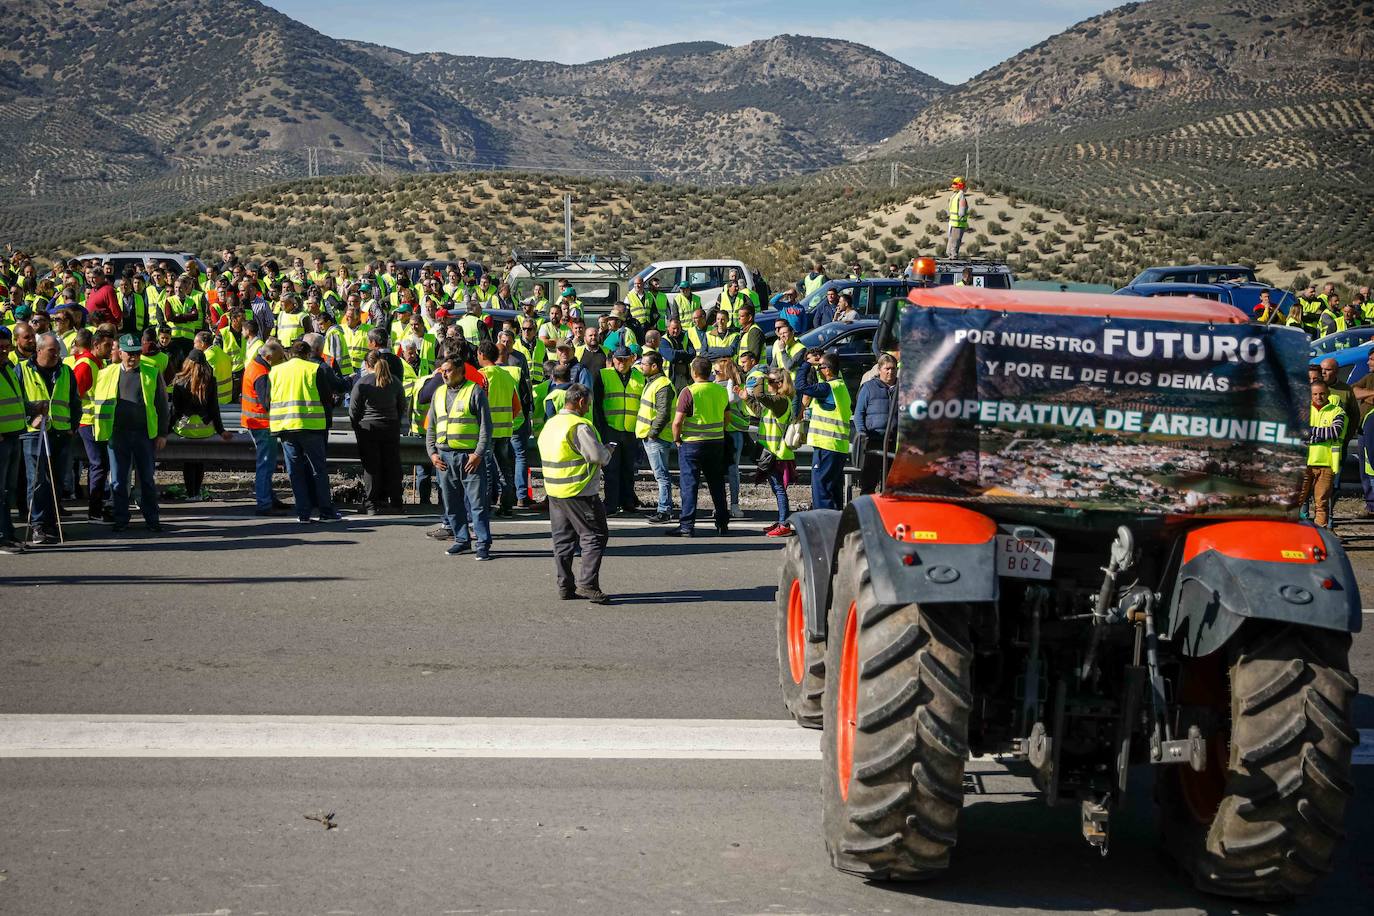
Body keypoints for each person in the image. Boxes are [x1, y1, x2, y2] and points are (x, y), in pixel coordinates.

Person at [537, 382, 611, 603]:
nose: (588, 408)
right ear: (580, 402)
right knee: (594, 535)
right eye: (587, 404)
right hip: (579, 490)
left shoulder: (551, 424)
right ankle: (587, 584)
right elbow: (597, 456)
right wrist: (608, 450)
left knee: (563, 540)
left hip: (554, 490)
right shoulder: (579, 426)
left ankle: (565, 586)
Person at [92, 333, 169, 533]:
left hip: (144, 434)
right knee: (118, 480)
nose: (133, 357)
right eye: (129, 353)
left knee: (147, 479)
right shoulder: (106, 373)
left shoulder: (151, 372)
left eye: (137, 353)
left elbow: (162, 405)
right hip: (117, 434)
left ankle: (152, 519)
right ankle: (121, 519)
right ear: (120, 353)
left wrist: (162, 433)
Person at [426, 356, 493, 559]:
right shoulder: (438, 393)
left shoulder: (474, 391)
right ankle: (462, 540)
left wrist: (478, 454)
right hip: (444, 458)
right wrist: (432, 453)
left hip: (469, 458)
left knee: (477, 504)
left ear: (460, 371)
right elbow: (431, 427)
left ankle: (482, 543)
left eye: (448, 370)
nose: (444, 374)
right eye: (442, 371)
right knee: (452, 503)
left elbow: (486, 427)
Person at [267, 339, 341, 523]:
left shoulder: (276, 371)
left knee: (295, 472)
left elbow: (267, 400)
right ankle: (326, 512)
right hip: (311, 426)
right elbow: (326, 398)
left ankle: (303, 513)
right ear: (308, 354)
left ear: (290, 354)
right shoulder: (313, 369)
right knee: (318, 470)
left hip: (285, 427)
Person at [18, 332, 80, 544]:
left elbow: (75, 401)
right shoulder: (22, 370)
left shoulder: (65, 371)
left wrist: (72, 427)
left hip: (61, 433)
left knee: (56, 480)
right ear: (39, 350)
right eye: (52, 350)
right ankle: (38, 525)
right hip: (34, 433)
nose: (56, 355)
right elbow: (17, 401)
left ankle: (52, 522)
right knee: (37, 481)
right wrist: (30, 416)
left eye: (58, 351)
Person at [671, 357, 731, 537]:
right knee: (717, 484)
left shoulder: (688, 391)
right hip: (716, 442)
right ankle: (722, 523)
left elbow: (677, 422)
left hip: (692, 443)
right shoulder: (720, 391)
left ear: (694, 372)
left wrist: (677, 440)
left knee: (689, 485)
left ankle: (687, 526)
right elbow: (727, 418)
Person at [168, 349, 232, 501]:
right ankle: (197, 492)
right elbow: (214, 408)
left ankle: (191, 494)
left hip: (185, 430)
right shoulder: (211, 380)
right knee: (199, 459)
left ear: (188, 363)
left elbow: (175, 410)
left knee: (189, 461)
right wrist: (221, 430)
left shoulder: (179, 381)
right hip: (205, 429)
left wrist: (166, 430)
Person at [350, 349, 406, 514]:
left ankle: (371, 504)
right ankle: (396, 503)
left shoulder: (363, 382)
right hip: (391, 427)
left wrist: (357, 426)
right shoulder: (395, 381)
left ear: (366, 364)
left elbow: (353, 410)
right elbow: (401, 406)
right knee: (392, 465)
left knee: (371, 467)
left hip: (369, 428)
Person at [743, 367, 797, 537]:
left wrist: (760, 377)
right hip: (771, 452)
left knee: (779, 489)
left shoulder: (781, 400)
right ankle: (782, 520)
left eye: (771, 381)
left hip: (777, 453)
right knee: (776, 488)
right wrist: (746, 399)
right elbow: (761, 412)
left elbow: (760, 396)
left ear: (780, 384)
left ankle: (784, 524)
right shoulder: (776, 402)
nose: (767, 383)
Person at [67, 328, 112, 521]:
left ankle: (97, 507)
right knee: (98, 465)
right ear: (95, 344)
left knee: (101, 465)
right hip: (88, 423)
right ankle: (94, 511)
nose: (109, 349)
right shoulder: (87, 364)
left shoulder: (96, 363)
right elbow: (74, 395)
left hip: (96, 423)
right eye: (106, 345)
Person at [798, 351, 853, 510]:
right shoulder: (840, 385)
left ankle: (823, 521)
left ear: (828, 370)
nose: (818, 369)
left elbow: (800, 386)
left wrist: (807, 364)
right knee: (833, 489)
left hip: (826, 446)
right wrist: (819, 365)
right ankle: (836, 521)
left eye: (820, 367)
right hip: (838, 447)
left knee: (821, 489)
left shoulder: (827, 388)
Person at [242, 339, 290, 516]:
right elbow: (267, 402)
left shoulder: (255, 365)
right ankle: (264, 504)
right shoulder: (261, 373)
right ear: (269, 357)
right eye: (279, 358)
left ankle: (269, 498)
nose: (281, 361)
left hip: (256, 422)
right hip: (262, 424)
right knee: (266, 465)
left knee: (267, 464)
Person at [594, 346, 643, 515]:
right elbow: (597, 405)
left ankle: (627, 502)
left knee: (628, 468)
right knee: (611, 469)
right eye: (619, 359)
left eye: (625, 359)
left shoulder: (640, 376)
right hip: (611, 428)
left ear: (632, 359)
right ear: (613, 359)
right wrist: (601, 428)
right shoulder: (603, 375)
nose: (622, 362)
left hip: (631, 429)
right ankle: (611, 503)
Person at [477, 340, 521, 518]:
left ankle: (485, 507)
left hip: (487, 432)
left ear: (482, 354)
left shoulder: (481, 376)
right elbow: (516, 407)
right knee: (505, 470)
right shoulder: (507, 375)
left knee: (486, 471)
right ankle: (507, 507)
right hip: (505, 431)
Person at [635, 350, 676, 524]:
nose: (641, 367)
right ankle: (665, 508)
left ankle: (664, 511)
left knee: (661, 475)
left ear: (654, 366)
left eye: (644, 364)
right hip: (653, 437)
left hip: (657, 438)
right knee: (661, 475)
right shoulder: (654, 382)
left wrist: (652, 434)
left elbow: (663, 413)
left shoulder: (662, 385)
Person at [1300, 379, 1344, 528]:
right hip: (1304, 463)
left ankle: (1319, 535)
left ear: (1328, 393)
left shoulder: (1337, 411)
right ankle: (1291, 534)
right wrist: (1321, 435)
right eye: (1315, 394)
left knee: (1322, 504)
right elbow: (1297, 432)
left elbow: (1334, 432)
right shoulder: (1303, 411)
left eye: (1322, 394)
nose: (1319, 397)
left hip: (1326, 464)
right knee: (1296, 502)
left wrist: (1310, 433)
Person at [855, 354, 898, 494]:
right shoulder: (868, 388)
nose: (890, 372)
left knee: (890, 486)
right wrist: (862, 435)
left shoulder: (902, 388)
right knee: (869, 483)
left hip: (895, 442)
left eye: (893, 368)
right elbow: (859, 414)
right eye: (887, 369)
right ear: (879, 370)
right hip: (873, 441)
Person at [0, 327, 24, 552]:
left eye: (7, 347)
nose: (5, 351)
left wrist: (33, 408)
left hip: (14, 435)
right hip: (2, 439)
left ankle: (8, 533)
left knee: (8, 490)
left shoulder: (8, 368)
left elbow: (15, 401)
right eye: (0, 348)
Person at [946, 176, 969, 258]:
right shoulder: (960, 196)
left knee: (952, 240)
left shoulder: (955, 196)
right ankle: (953, 255)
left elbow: (951, 209)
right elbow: (962, 210)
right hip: (958, 223)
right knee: (955, 240)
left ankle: (950, 254)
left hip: (953, 223)